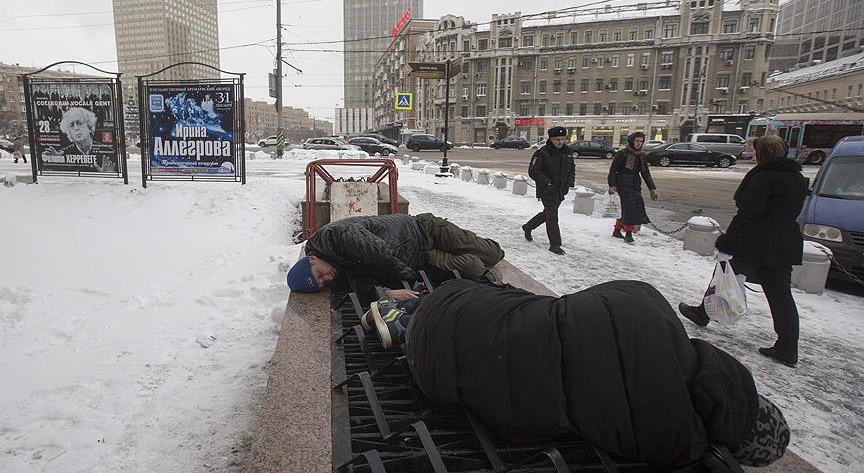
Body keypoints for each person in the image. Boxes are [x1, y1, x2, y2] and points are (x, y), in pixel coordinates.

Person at [361, 279, 790, 470]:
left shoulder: (647, 302)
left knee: (515, 310)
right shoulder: (674, 440)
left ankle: (408, 311)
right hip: (439, 372)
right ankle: (405, 327)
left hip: (464, 306)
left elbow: (585, 307)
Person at [678, 135, 808, 367]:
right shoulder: (798, 178)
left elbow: (748, 215)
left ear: (763, 154)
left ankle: (702, 313)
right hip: (783, 242)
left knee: (723, 274)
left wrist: (728, 243)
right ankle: (788, 347)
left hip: (755, 242)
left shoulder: (762, 177)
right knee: (781, 296)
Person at [286, 213, 504, 292]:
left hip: (424, 229)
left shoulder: (334, 236)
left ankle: (474, 245)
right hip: (423, 259)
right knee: (474, 269)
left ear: (312, 258)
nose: (326, 278)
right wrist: (388, 292)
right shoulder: (336, 270)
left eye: (319, 274)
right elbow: (363, 286)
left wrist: (408, 277)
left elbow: (376, 252)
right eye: (322, 284)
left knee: (494, 254)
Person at [522, 126, 575, 255]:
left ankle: (528, 226)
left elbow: (572, 169)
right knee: (552, 216)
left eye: (562, 139)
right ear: (551, 139)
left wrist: (569, 183)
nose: (560, 142)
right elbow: (534, 171)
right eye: (557, 139)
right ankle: (555, 244)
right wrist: (547, 183)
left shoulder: (567, 152)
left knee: (548, 213)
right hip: (547, 190)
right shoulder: (542, 153)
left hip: (561, 190)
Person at [607, 132, 657, 243]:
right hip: (622, 184)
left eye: (641, 141)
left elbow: (645, 173)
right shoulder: (622, 154)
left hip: (635, 184)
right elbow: (613, 171)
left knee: (627, 208)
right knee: (630, 209)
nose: (639, 144)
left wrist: (652, 188)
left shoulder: (641, 156)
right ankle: (628, 233)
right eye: (637, 141)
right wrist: (612, 185)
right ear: (631, 141)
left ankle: (617, 230)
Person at [52, 107, 116, 172]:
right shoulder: (63, 154)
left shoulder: (108, 153)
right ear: (69, 132)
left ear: (89, 126)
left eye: (79, 123)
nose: (76, 128)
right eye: (72, 125)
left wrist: (107, 173)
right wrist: (55, 161)